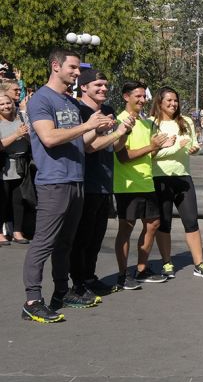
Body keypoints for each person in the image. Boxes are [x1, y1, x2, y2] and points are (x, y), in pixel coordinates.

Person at [22, 48, 117, 323]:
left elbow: (83, 146)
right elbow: (49, 138)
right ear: (56, 66)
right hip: (54, 181)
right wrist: (87, 125)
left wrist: (99, 129)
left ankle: (62, 293)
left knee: (65, 243)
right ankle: (32, 300)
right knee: (44, 242)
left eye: (78, 69)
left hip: (76, 180)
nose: (77, 73)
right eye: (73, 68)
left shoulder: (69, 103)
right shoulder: (41, 100)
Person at [69, 69, 131, 296]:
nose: (104, 89)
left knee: (97, 235)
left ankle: (90, 276)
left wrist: (124, 133)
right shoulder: (79, 110)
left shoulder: (108, 110)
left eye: (105, 85)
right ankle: (77, 283)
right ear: (83, 87)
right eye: (98, 85)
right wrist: (115, 133)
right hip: (86, 181)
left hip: (105, 181)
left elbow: (114, 147)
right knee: (82, 236)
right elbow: (87, 147)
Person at [148, 87, 203, 279]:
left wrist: (194, 149)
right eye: (168, 100)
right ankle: (167, 263)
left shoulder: (185, 121)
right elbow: (151, 155)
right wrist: (177, 146)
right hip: (160, 177)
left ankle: (199, 263)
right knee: (164, 223)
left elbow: (191, 144)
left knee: (191, 220)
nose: (173, 104)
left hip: (183, 177)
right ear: (159, 102)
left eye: (175, 100)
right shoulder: (152, 123)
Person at [114, 81, 172, 290]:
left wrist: (161, 146)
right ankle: (122, 274)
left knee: (153, 224)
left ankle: (141, 268)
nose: (142, 100)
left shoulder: (146, 123)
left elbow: (149, 154)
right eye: (137, 96)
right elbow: (123, 157)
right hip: (127, 185)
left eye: (143, 96)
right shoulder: (120, 121)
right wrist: (152, 146)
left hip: (147, 182)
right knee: (126, 229)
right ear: (126, 97)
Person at [0, 93, 31, 246]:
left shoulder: (20, 119)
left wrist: (26, 136)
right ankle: (0, 233)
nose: (6, 106)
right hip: (3, 166)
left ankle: (17, 231)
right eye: (2, 104)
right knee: (2, 201)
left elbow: (32, 139)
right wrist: (16, 134)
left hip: (20, 166)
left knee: (18, 200)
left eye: (8, 103)